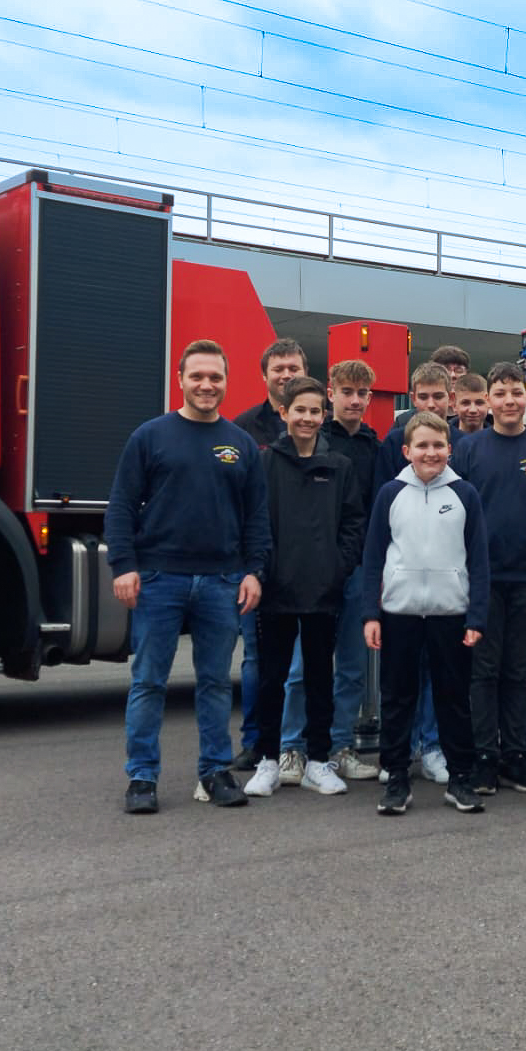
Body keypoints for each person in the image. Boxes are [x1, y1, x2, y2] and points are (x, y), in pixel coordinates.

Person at [105, 339, 270, 814]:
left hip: (221, 582)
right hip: (159, 579)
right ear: (180, 380)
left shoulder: (240, 446)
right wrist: (125, 566)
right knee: (149, 682)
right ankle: (141, 778)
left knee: (216, 682)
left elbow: (256, 517)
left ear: (226, 382)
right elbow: (120, 506)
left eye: (215, 377)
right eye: (197, 376)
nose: (206, 384)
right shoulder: (150, 437)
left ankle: (216, 771)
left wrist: (253, 571)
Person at [361, 411, 490, 815]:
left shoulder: (465, 494)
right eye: (422, 445)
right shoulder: (389, 494)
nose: (430, 452)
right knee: (397, 698)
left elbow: (480, 561)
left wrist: (476, 618)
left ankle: (461, 778)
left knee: (454, 700)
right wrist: (371, 614)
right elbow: (373, 558)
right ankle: (397, 778)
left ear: (449, 450)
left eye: (438, 445)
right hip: (399, 613)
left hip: (450, 613)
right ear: (407, 451)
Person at [244, 377, 365, 799]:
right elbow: (255, 521)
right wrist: (261, 571)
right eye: (300, 410)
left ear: (323, 415)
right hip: (276, 591)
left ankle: (317, 761)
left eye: (315, 411)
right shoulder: (265, 463)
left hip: (323, 591)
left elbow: (353, 523)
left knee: (319, 676)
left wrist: (338, 568)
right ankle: (268, 761)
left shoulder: (339, 467)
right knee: (272, 677)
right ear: (284, 413)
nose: (308, 418)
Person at [452, 363, 526, 795]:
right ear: (488, 401)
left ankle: (515, 754)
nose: (508, 401)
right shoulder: (468, 448)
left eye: (515, 392)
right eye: (498, 393)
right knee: (483, 672)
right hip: (481, 581)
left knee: (520, 672)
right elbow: (454, 517)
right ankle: (485, 756)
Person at [276, 358, 383, 780]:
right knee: (304, 667)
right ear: (330, 394)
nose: (354, 400)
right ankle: (292, 748)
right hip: (312, 571)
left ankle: (338, 746)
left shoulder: (376, 447)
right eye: (346, 392)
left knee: (352, 666)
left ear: (370, 398)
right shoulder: (314, 443)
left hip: (358, 571)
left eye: (362, 394)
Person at [371, 360, 458, 784]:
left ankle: (434, 747)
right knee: (400, 681)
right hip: (403, 586)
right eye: (421, 396)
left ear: (449, 399)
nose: (430, 403)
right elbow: (382, 522)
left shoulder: (459, 444)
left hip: (445, 588)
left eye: (437, 396)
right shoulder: (392, 442)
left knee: (440, 679)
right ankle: (398, 753)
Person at [232, 337, 306, 771]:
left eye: (293, 367)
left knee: (305, 663)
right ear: (265, 377)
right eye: (278, 369)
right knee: (257, 659)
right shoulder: (244, 430)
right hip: (259, 566)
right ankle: (256, 743)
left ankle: (301, 744)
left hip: (308, 568)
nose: (286, 375)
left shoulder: (321, 424)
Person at [232, 337, 306, 446]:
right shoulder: (242, 427)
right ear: (264, 375)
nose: (286, 375)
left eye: (294, 369)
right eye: (278, 369)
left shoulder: (326, 424)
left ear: (305, 372)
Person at [451, 373, 490, 437]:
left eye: (479, 403)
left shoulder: (499, 439)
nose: (473, 410)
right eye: (465, 403)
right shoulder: (441, 438)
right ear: (454, 404)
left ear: (489, 403)